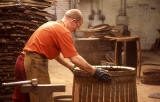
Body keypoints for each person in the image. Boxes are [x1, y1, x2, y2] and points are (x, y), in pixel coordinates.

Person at [12, 9, 111, 102]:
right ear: (73, 21)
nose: (75, 30)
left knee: (22, 98)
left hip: (22, 62)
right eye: (77, 26)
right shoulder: (63, 31)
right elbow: (75, 58)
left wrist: (70, 67)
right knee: (43, 97)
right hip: (33, 63)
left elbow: (56, 55)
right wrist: (94, 71)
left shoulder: (53, 25)